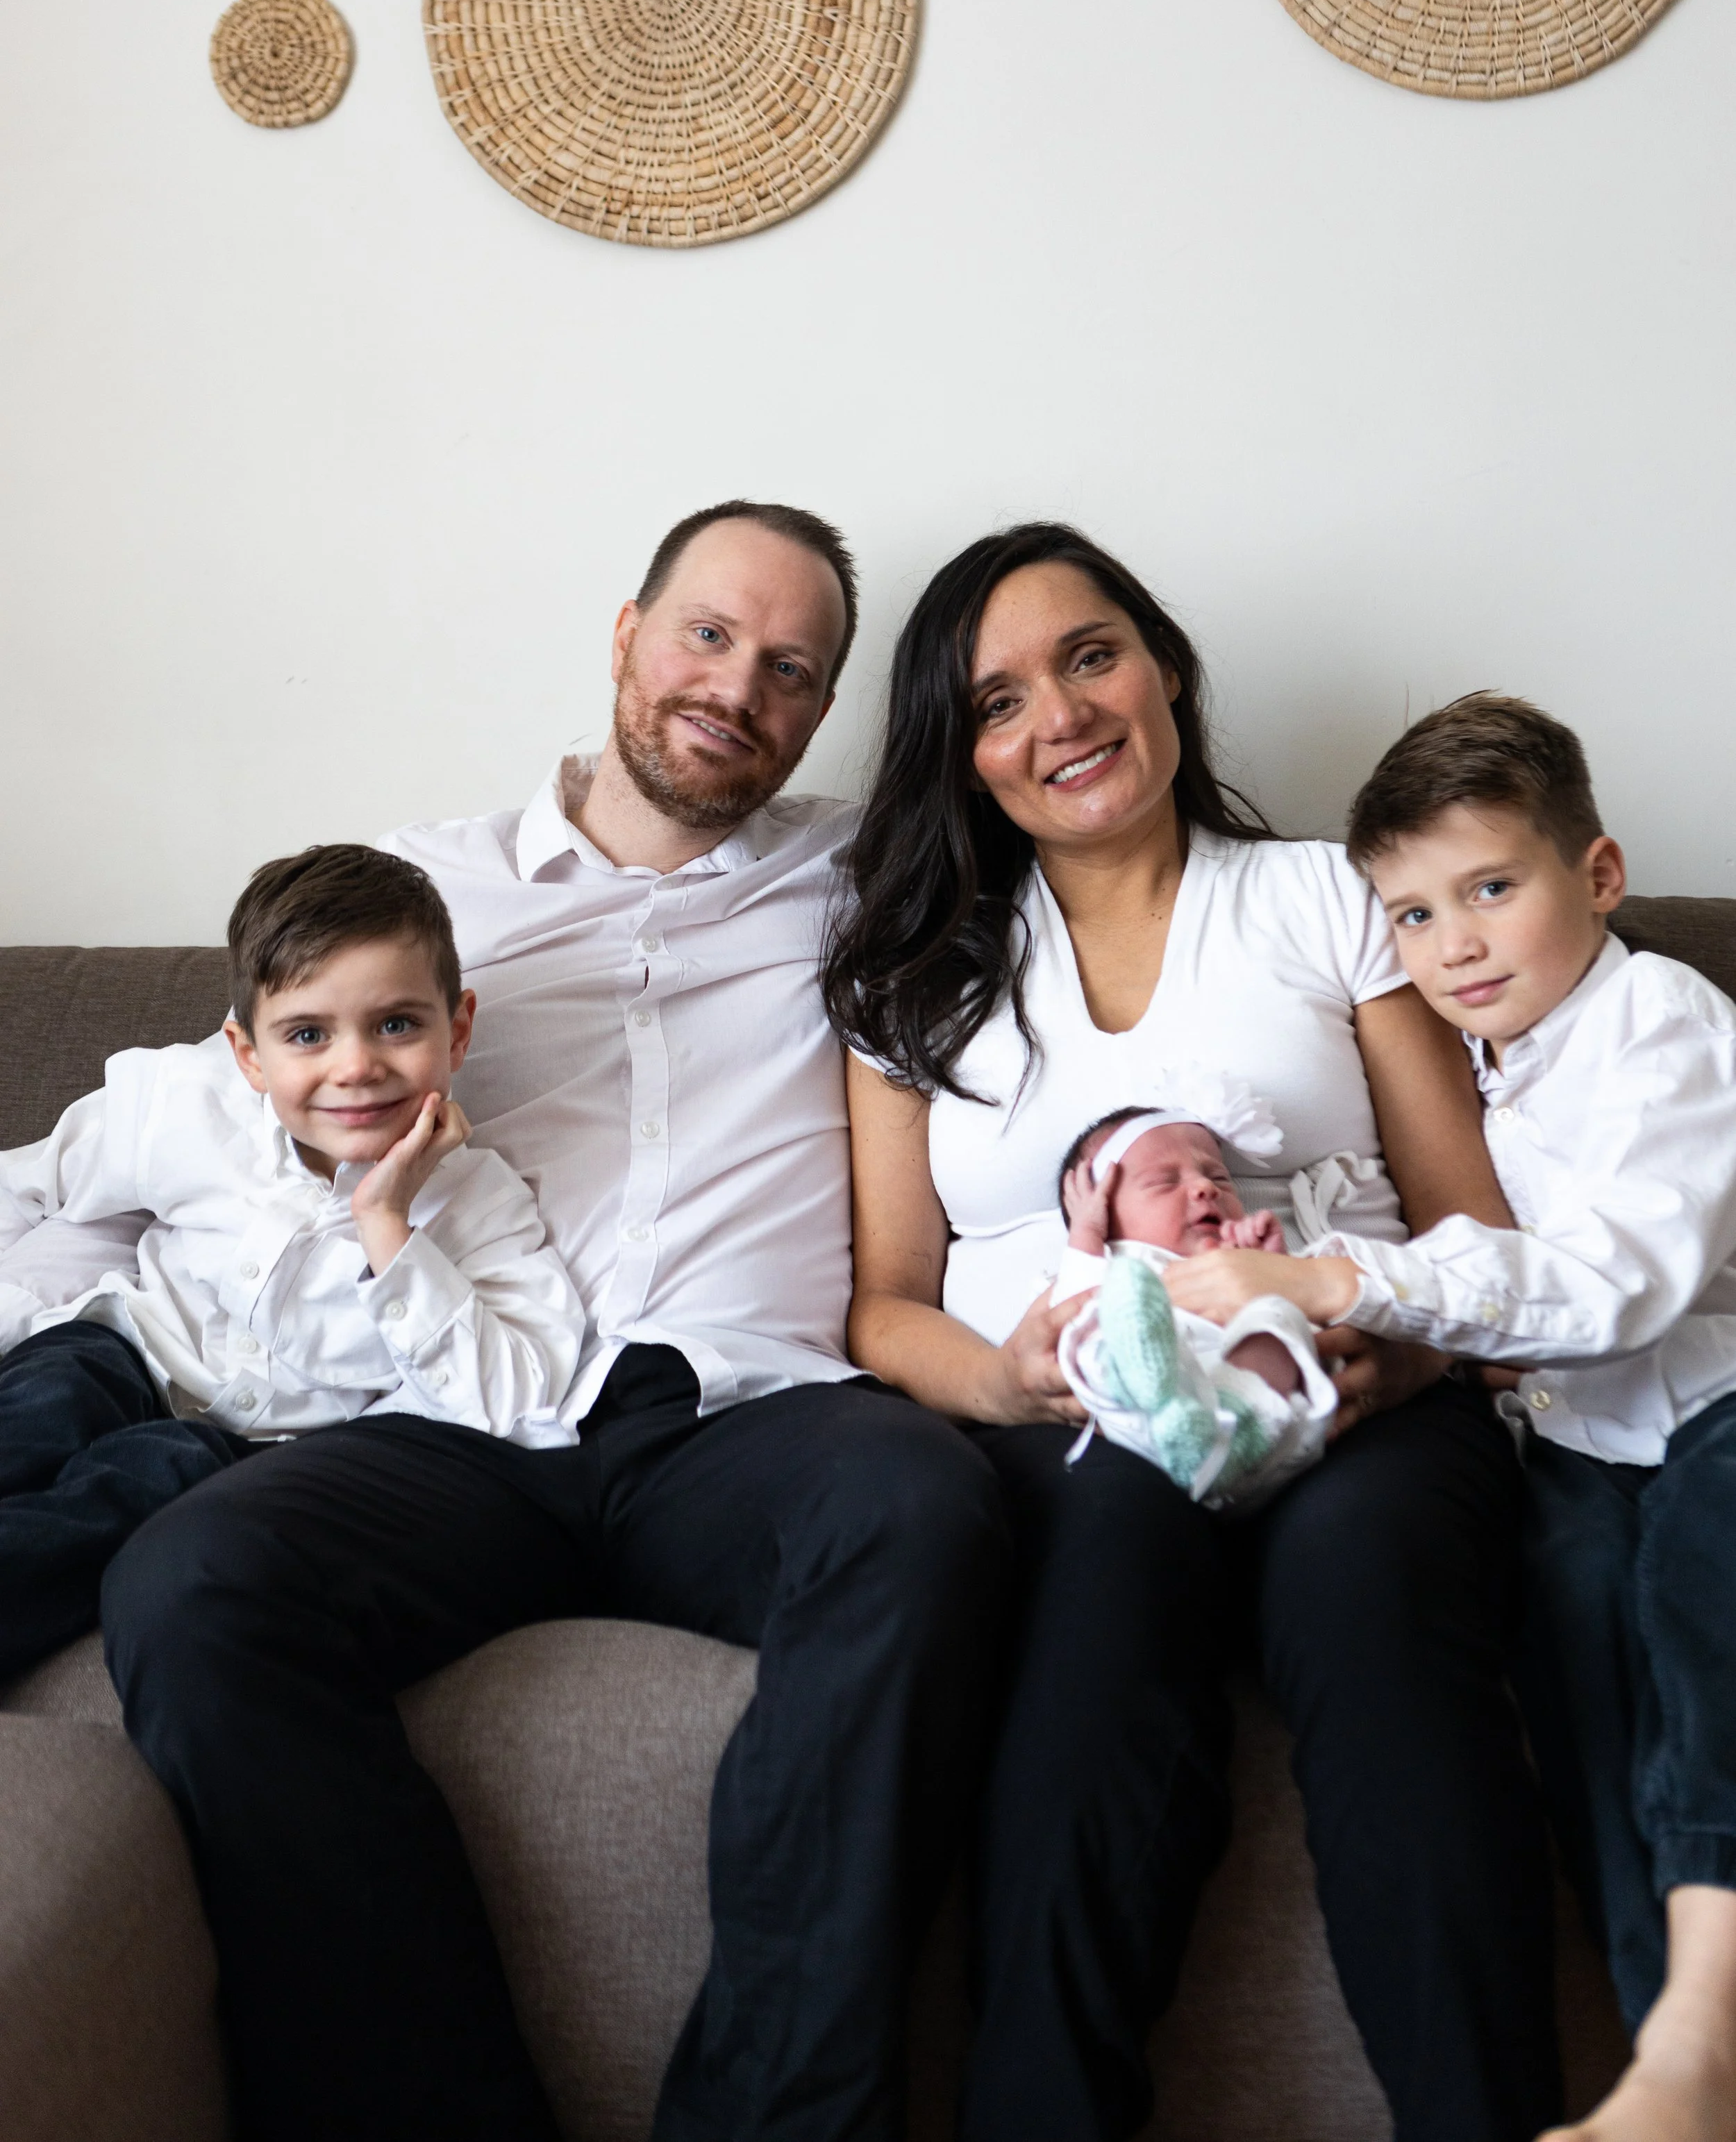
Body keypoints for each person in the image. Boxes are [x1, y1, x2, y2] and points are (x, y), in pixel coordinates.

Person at [83, 502, 1012, 2142]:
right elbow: (209, 1110)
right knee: (193, 1577)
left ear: (820, 708)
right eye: (707, 634)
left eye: (791, 667)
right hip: (468, 1418)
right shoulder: (425, 895)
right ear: (625, 634)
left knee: (921, 1501)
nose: (737, 685)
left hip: (750, 1418)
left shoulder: (882, 874)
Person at [825, 522, 1563, 2142]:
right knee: (1101, 1602)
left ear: (1162, 665)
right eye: (998, 699)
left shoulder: (1318, 895)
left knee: (1374, 1596)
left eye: (1090, 654)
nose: (1063, 715)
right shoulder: (908, 973)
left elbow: (1475, 1235)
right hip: (1077, 1422)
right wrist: (1016, 1386)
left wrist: (1401, 1345)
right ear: (963, 753)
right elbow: (883, 1298)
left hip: (1359, 1385)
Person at [1174, 693, 1736, 2142]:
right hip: (1572, 1446)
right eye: (1411, 916)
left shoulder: (1660, 1022)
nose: (1455, 945)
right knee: (1568, 1630)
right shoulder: (1469, 1070)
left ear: (1596, 878)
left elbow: (1615, 1286)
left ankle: (1698, 2041)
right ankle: (1653, 2068)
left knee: (1692, 1582)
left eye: (1490, 888)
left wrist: (1336, 1274)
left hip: (1716, 1408)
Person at [0, 843, 581, 1683]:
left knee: (150, 1476)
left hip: (253, 1449)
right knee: (47, 1395)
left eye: (397, 1024)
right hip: (127, 1350)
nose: (356, 1067)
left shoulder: (482, 1203)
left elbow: (515, 1402)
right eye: (307, 1034)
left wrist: (385, 1220)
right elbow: (28, 1182)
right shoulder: (179, 1103)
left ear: (456, 1031)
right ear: (248, 1055)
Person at [1051, 1091, 1341, 1508]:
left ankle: (1225, 1427)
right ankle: (1164, 1391)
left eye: (1220, 1178)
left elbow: (1312, 1323)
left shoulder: (1240, 1259)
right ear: (1103, 1212)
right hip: (1146, 1435)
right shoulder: (1112, 1264)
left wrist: (1270, 1267)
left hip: (1258, 1430)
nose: (1205, 1187)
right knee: (1095, 1326)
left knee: (1279, 1316)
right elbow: (1072, 1303)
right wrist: (1085, 1235)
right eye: (1164, 1182)